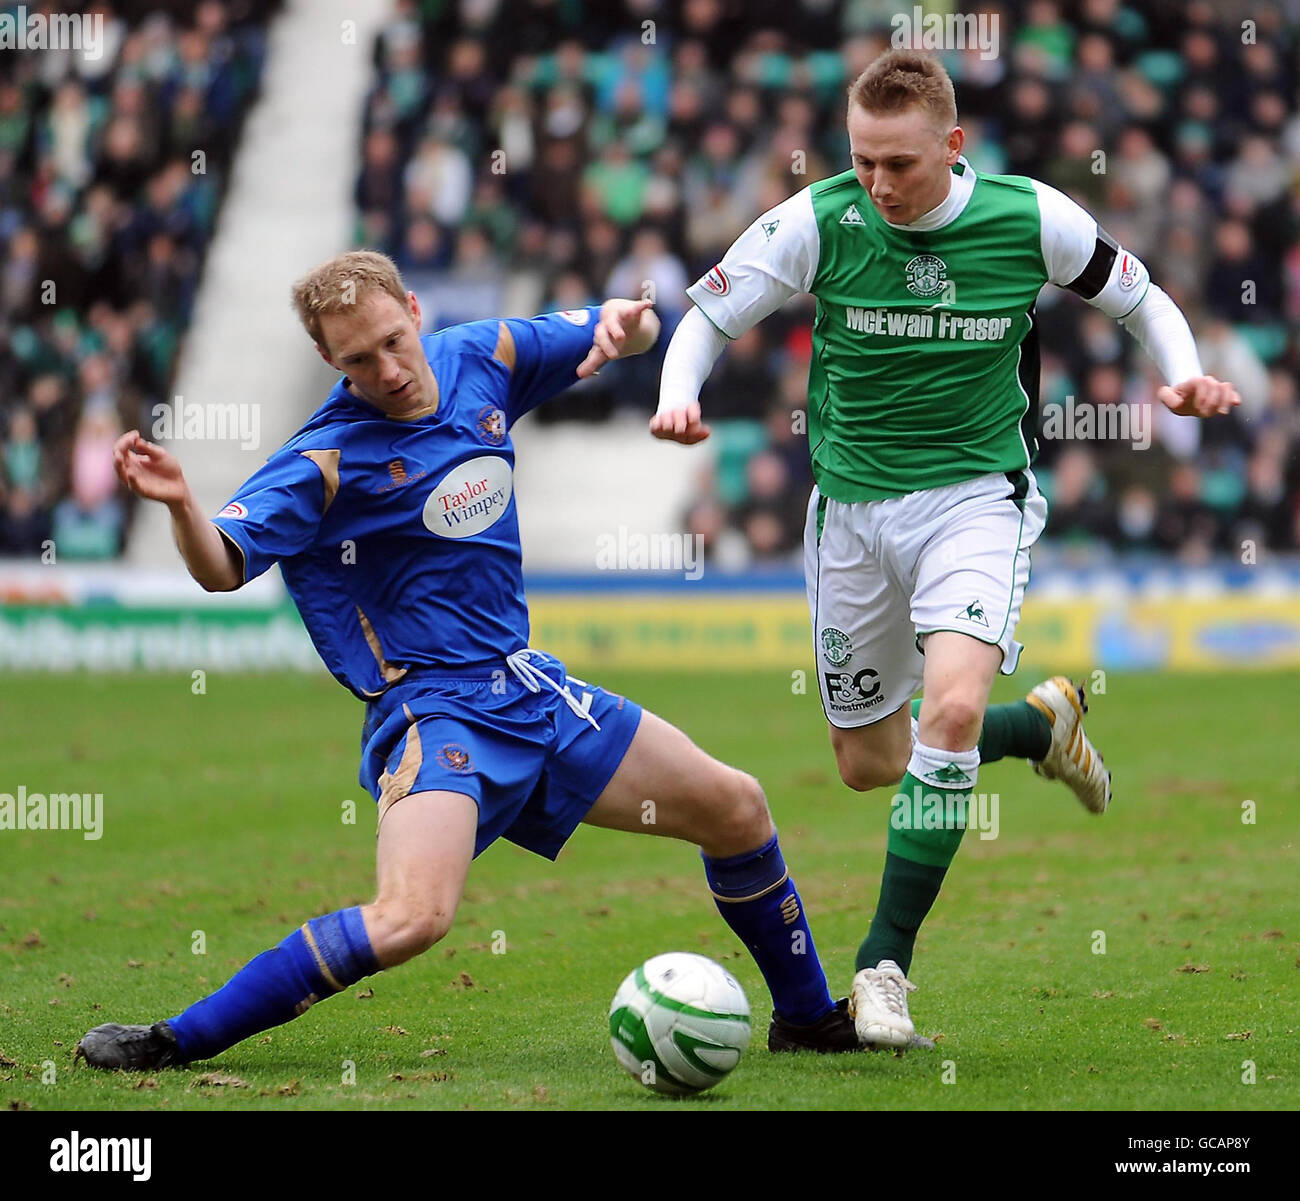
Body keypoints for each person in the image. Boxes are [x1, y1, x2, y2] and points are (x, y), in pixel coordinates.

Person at [79, 250, 865, 1071]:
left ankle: (807, 1019)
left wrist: (626, 327)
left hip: (531, 686)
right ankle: (177, 1039)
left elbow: (613, 330)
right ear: (328, 361)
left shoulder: (479, 356)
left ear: (415, 310)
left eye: (393, 340)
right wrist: (179, 505)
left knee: (738, 807)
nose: (387, 369)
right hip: (436, 711)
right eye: (358, 359)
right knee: (413, 917)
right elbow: (222, 566)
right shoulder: (325, 461)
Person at [651, 50, 1240, 1050]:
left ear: (951, 145)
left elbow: (1138, 297)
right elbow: (710, 311)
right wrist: (677, 392)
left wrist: (1179, 374)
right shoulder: (818, 220)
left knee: (950, 707)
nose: (877, 183)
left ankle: (883, 969)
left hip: (976, 497)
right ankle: (1040, 727)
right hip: (849, 511)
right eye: (861, 160)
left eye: (899, 164)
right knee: (870, 762)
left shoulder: (1028, 217)